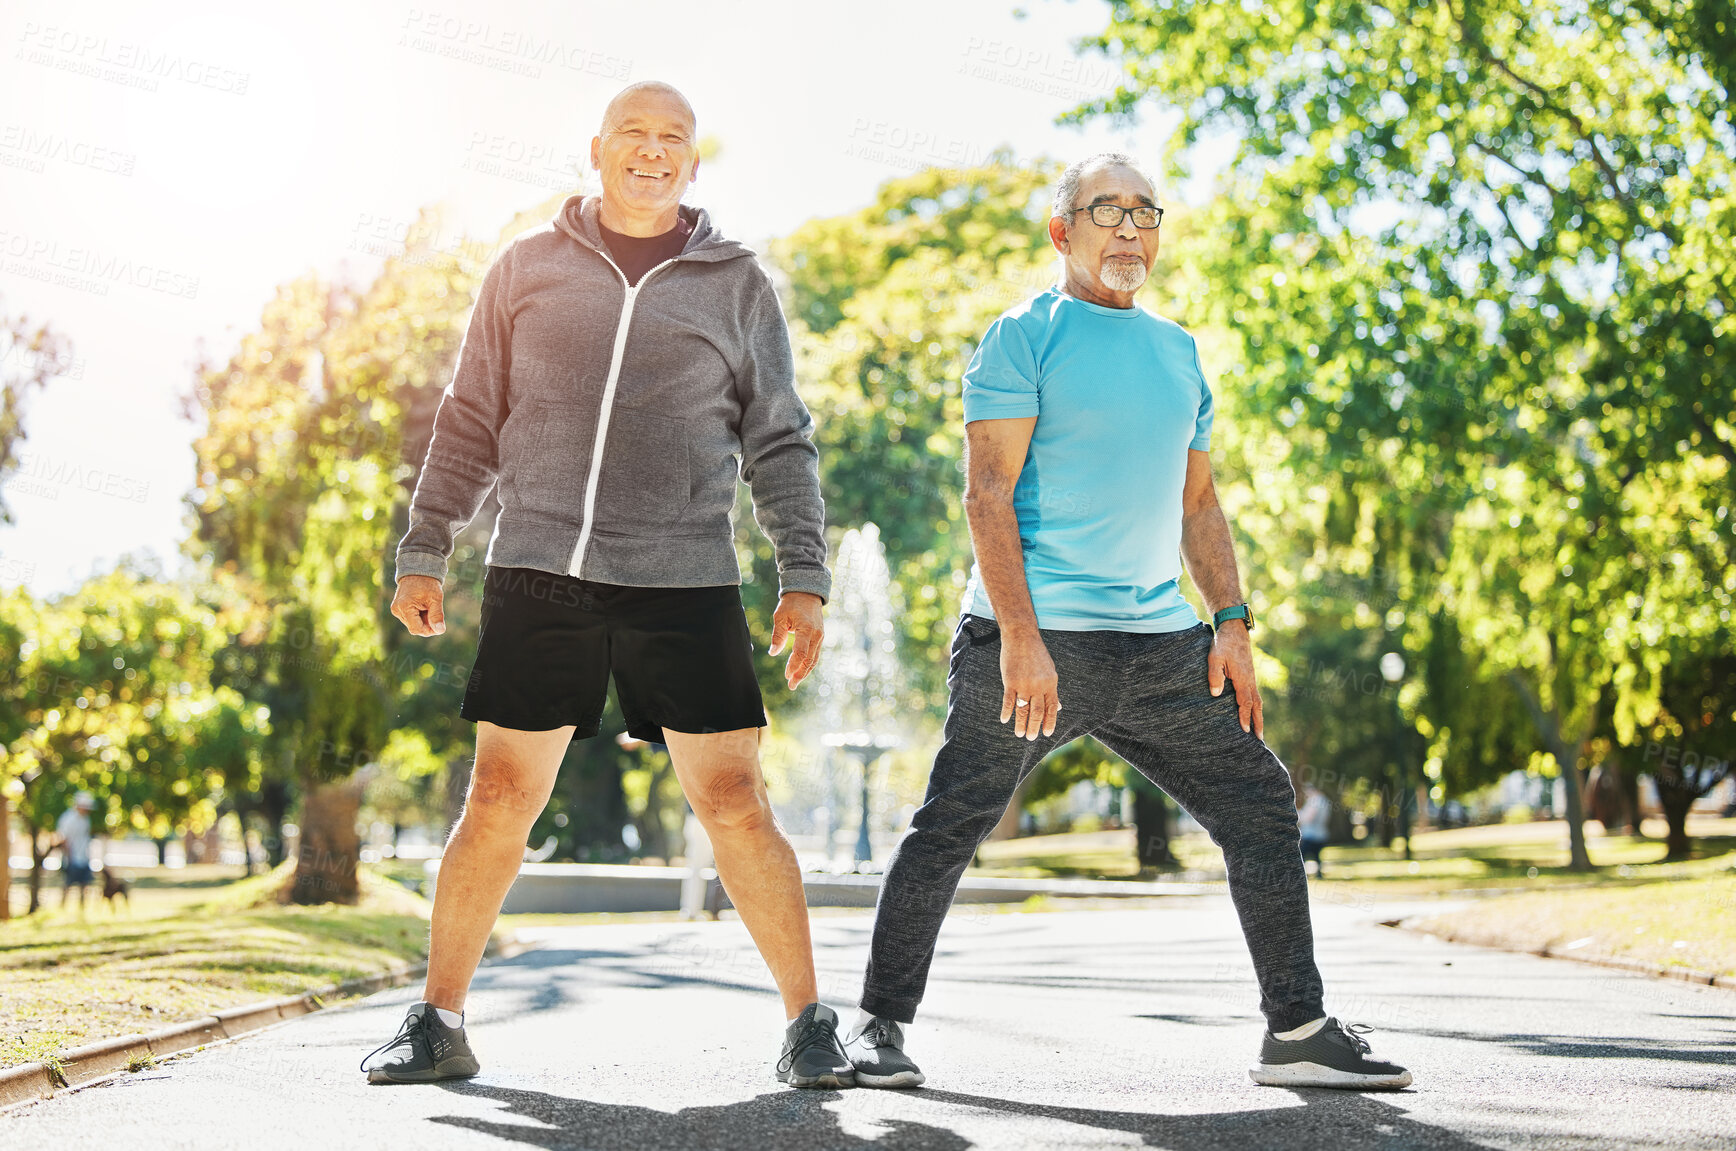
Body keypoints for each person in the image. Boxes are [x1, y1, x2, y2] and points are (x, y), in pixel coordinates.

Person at [842, 153, 1412, 1091]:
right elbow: (986, 493)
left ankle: (1299, 1030)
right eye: (1107, 210)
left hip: (1162, 645)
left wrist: (1230, 620)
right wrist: (1020, 637)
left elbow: (1198, 504)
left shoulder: (1178, 351)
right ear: (1062, 231)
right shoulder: (1023, 335)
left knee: (1261, 802)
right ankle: (879, 1027)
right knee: (952, 822)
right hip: (1033, 646)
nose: (1131, 229)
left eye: (1147, 212)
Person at [364, 81, 853, 1089]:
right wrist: (426, 543)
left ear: (692, 163)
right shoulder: (525, 268)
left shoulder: (736, 283)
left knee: (733, 800)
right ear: (596, 151)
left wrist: (802, 572)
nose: (651, 151)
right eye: (632, 134)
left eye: (671, 138)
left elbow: (778, 437)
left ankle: (810, 1024)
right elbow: (467, 416)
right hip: (538, 566)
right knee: (499, 792)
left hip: (682, 574)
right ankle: (436, 1017)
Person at [55, 791, 97, 912]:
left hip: (83, 856)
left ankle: (82, 910)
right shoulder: (68, 818)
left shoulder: (86, 820)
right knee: (68, 884)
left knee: (85, 884)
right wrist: (68, 856)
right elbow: (63, 838)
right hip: (71, 857)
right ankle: (62, 909)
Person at [1298, 782, 1332, 877]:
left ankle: (1301, 875)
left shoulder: (1315, 801)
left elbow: (1308, 818)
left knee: (1302, 856)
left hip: (1311, 834)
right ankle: (1319, 874)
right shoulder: (1325, 800)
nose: (1306, 795)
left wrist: (1298, 815)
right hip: (1322, 833)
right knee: (1317, 857)